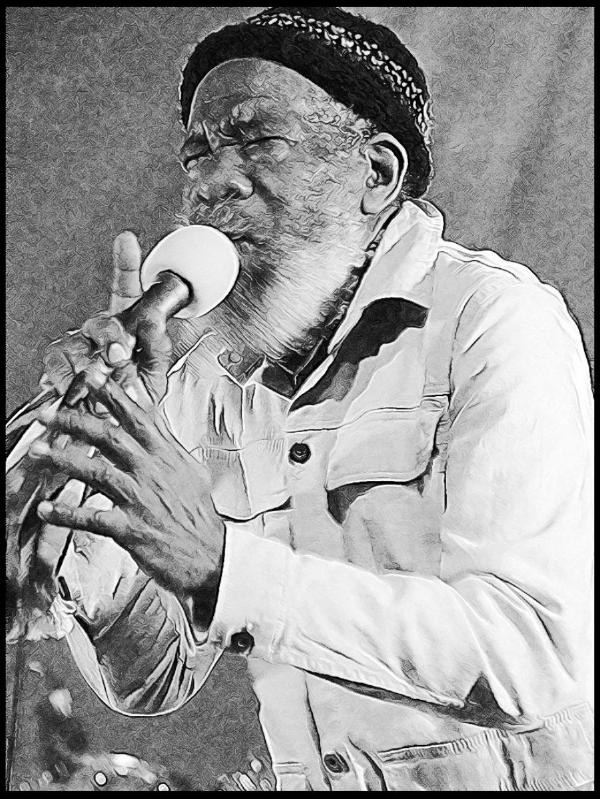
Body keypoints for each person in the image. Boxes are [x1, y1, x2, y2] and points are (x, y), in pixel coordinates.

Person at [6, 6, 593, 792]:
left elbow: (529, 654)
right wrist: (101, 505)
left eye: (256, 140)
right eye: (197, 153)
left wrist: (223, 567)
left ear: (376, 174)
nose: (210, 181)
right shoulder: (205, 371)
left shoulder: (490, 317)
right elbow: (152, 680)